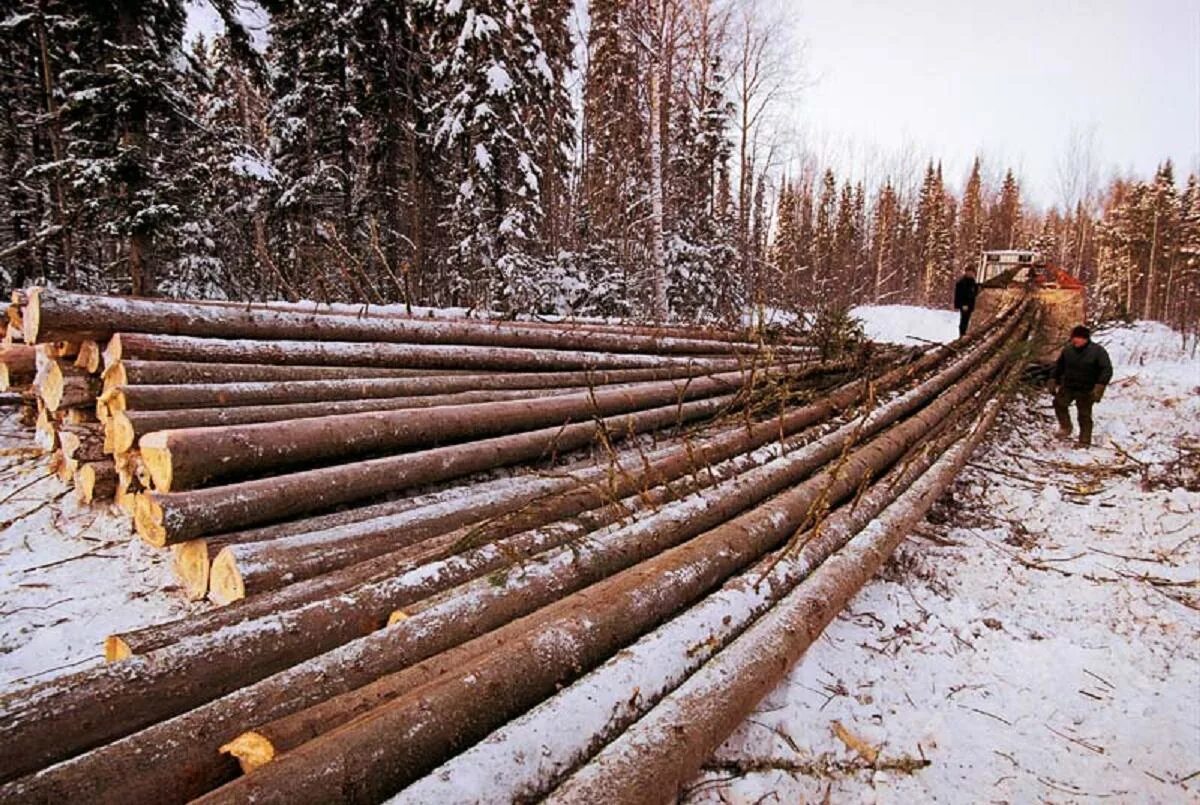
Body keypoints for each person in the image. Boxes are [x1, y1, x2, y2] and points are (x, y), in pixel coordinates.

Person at [1051, 325, 1113, 448]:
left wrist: (1100, 386)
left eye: (1078, 338)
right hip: (1068, 386)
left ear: (1085, 339)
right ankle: (1066, 427)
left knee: (1084, 415)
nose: (1075, 341)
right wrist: (1053, 379)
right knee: (1058, 403)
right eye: (1073, 338)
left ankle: (1084, 441)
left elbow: (1107, 370)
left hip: (1087, 389)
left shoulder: (1098, 351)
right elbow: (1059, 367)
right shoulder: (1068, 351)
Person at [953, 267, 978, 337]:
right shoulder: (962, 282)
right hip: (964, 304)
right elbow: (959, 295)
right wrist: (962, 304)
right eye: (969, 272)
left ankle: (964, 333)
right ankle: (962, 334)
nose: (971, 274)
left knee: (967, 319)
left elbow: (974, 293)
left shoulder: (973, 282)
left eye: (972, 273)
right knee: (964, 320)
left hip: (970, 304)